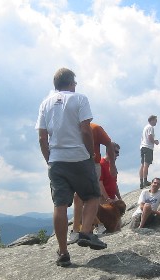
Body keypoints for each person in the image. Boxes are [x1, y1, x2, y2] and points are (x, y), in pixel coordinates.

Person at [36, 67, 107, 267]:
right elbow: (86, 131)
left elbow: (42, 137)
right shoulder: (80, 99)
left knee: (59, 205)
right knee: (92, 196)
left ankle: (63, 253)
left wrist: (49, 158)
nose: (76, 86)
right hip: (79, 157)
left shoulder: (45, 103)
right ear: (70, 82)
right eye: (74, 83)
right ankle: (85, 232)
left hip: (56, 160)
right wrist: (90, 153)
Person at [67, 123, 117, 243]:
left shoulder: (95, 128)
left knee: (85, 198)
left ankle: (80, 231)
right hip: (78, 165)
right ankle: (94, 227)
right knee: (80, 198)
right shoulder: (71, 126)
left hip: (93, 165)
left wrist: (112, 166)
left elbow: (109, 143)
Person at [139, 115, 159, 189]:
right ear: (152, 120)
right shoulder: (150, 127)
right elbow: (150, 137)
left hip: (143, 147)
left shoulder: (145, 127)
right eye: (155, 120)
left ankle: (141, 182)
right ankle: (145, 181)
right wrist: (155, 141)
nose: (156, 122)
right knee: (146, 164)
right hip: (148, 147)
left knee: (142, 165)